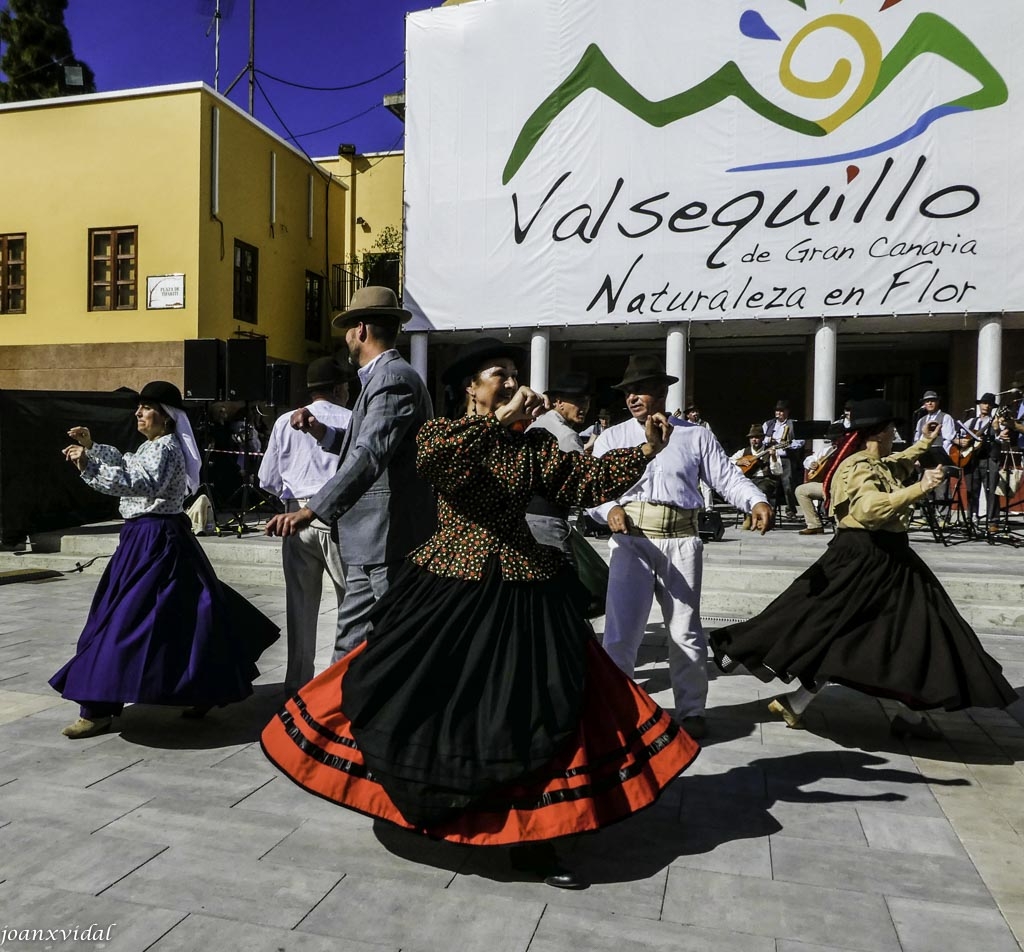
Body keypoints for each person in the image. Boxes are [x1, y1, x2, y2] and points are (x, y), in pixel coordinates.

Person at [260, 339, 699, 890]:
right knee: (428, 697)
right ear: (471, 387)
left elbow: (578, 482)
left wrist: (645, 452)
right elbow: (442, 466)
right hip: (450, 585)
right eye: (500, 375)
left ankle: (535, 838)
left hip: (525, 587)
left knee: (540, 705)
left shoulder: (533, 445)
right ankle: (423, 796)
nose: (512, 384)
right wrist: (504, 422)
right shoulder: (443, 433)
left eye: (515, 375)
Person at [711, 399, 1017, 739]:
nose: (895, 436)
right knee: (827, 626)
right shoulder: (858, 467)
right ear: (880, 433)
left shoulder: (875, 461)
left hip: (888, 558)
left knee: (907, 630)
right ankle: (743, 650)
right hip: (864, 557)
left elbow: (896, 463)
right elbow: (871, 509)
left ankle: (839, 707)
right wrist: (921, 487)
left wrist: (925, 443)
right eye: (892, 430)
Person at [50, 381, 279, 738]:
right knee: (182, 619)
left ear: (167, 416)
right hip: (146, 540)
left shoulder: (167, 449)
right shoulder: (152, 446)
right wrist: (92, 448)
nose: (138, 413)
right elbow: (128, 463)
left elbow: (139, 482)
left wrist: (87, 467)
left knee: (122, 621)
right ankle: (197, 689)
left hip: (157, 541)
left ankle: (98, 706)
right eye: (139, 407)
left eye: (146, 408)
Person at [587, 355, 773, 739]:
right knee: (621, 633)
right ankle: (615, 708)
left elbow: (726, 478)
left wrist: (755, 501)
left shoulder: (695, 435)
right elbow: (591, 488)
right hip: (631, 542)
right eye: (627, 392)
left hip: (681, 541)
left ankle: (691, 711)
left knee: (685, 631)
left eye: (640, 390)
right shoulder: (613, 438)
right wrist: (609, 510)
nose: (632, 398)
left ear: (661, 391)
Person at [264, 287, 436, 662]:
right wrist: (320, 431)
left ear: (360, 330)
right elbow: (366, 443)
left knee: (387, 640)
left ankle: (377, 715)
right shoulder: (381, 379)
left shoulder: (392, 379)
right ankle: (341, 716)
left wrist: (312, 510)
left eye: (346, 330)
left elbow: (370, 454)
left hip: (385, 538)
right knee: (351, 644)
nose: (345, 338)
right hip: (370, 540)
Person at [258, 356, 354, 693]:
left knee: (300, 608)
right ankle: (342, 686)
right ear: (341, 388)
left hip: (295, 518)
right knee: (351, 606)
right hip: (341, 518)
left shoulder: (285, 421)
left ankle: (297, 689)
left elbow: (267, 478)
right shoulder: (353, 419)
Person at [525, 370, 591, 559]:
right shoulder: (567, 435)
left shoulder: (536, 425)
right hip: (549, 519)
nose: (583, 407)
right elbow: (581, 482)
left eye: (586, 401)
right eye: (577, 401)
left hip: (527, 517)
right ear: (559, 402)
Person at [955, 392, 1000, 528]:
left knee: (991, 489)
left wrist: (997, 431)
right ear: (980, 404)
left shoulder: (995, 421)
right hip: (971, 459)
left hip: (988, 458)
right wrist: (961, 441)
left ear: (992, 406)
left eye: (989, 404)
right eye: (984, 403)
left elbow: (1000, 438)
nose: (986, 406)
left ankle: (993, 521)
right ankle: (970, 518)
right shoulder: (972, 421)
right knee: (971, 489)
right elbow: (959, 435)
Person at [794, 423, 844, 536]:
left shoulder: (848, 452)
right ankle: (814, 525)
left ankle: (841, 526)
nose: (833, 441)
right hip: (825, 485)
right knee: (801, 490)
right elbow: (809, 459)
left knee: (836, 492)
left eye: (835, 439)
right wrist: (811, 464)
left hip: (842, 486)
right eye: (832, 439)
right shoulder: (828, 450)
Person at [730, 424, 781, 528]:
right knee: (743, 489)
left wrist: (774, 457)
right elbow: (728, 460)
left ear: (762, 438)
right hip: (750, 479)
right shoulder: (744, 451)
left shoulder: (770, 451)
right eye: (752, 438)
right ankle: (750, 516)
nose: (754, 440)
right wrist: (738, 462)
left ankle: (757, 518)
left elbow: (778, 472)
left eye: (757, 437)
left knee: (759, 491)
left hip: (766, 479)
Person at [763, 400, 805, 519]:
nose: (779, 413)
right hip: (772, 457)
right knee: (770, 483)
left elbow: (801, 441)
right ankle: (771, 509)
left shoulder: (793, 424)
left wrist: (789, 445)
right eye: (777, 411)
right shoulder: (768, 424)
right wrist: (768, 440)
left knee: (788, 485)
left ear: (787, 412)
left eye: (781, 411)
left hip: (786, 457)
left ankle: (790, 510)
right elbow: (761, 438)